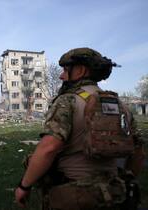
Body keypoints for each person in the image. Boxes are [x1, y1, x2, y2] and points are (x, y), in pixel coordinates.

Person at [15, 48, 145, 210]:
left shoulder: (67, 101)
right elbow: (138, 153)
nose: (61, 75)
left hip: (74, 195)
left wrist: (24, 186)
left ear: (81, 70)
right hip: (114, 195)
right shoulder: (121, 105)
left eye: (65, 70)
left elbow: (49, 147)